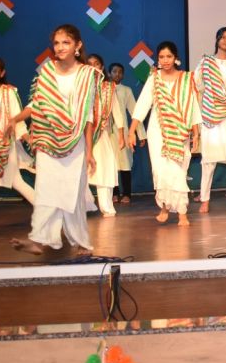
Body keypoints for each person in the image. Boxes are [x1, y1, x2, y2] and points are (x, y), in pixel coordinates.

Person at [10, 25, 101, 255]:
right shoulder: (48, 71)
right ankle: (40, 240)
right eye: (57, 43)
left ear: (78, 45)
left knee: (72, 194)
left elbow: (87, 117)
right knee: (45, 190)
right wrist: (16, 118)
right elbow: (37, 103)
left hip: (74, 142)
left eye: (66, 42)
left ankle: (81, 242)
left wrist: (90, 152)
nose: (60, 47)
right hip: (47, 139)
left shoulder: (86, 75)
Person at [129, 42, 201, 226]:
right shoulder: (154, 78)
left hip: (179, 129)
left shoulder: (186, 78)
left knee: (178, 170)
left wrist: (196, 134)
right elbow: (143, 104)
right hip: (158, 129)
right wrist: (132, 130)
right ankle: (165, 207)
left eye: (169, 56)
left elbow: (193, 106)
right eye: (161, 57)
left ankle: (182, 212)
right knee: (160, 171)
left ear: (176, 58)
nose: (165, 60)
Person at [193, 27, 226, 213]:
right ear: (217, 39)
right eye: (222, 37)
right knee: (209, 161)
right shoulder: (206, 62)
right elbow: (196, 84)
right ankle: (205, 200)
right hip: (211, 114)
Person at [0, 56, 35, 205]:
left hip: (4, 143)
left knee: (16, 181)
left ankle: (44, 209)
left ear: (2, 73)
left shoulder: (8, 92)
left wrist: (28, 139)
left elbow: (16, 119)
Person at [86, 54, 124, 217]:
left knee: (104, 169)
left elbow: (117, 112)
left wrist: (121, 134)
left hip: (101, 135)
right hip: (81, 136)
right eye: (89, 64)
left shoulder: (109, 88)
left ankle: (106, 206)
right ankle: (86, 204)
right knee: (80, 173)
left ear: (101, 67)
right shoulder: (80, 86)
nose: (93, 67)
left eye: (96, 64)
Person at [110, 62, 143, 204]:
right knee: (110, 164)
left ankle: (127, 193)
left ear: (123, 75)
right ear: (109, 73)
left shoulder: (126, 90)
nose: (117, 74)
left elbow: (135, 111)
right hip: (107, 133)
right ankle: (114, 193)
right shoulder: (104, 89)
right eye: (114, 71)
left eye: (120, 72)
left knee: (125, 164)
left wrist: (141, 134)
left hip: (122, 133)